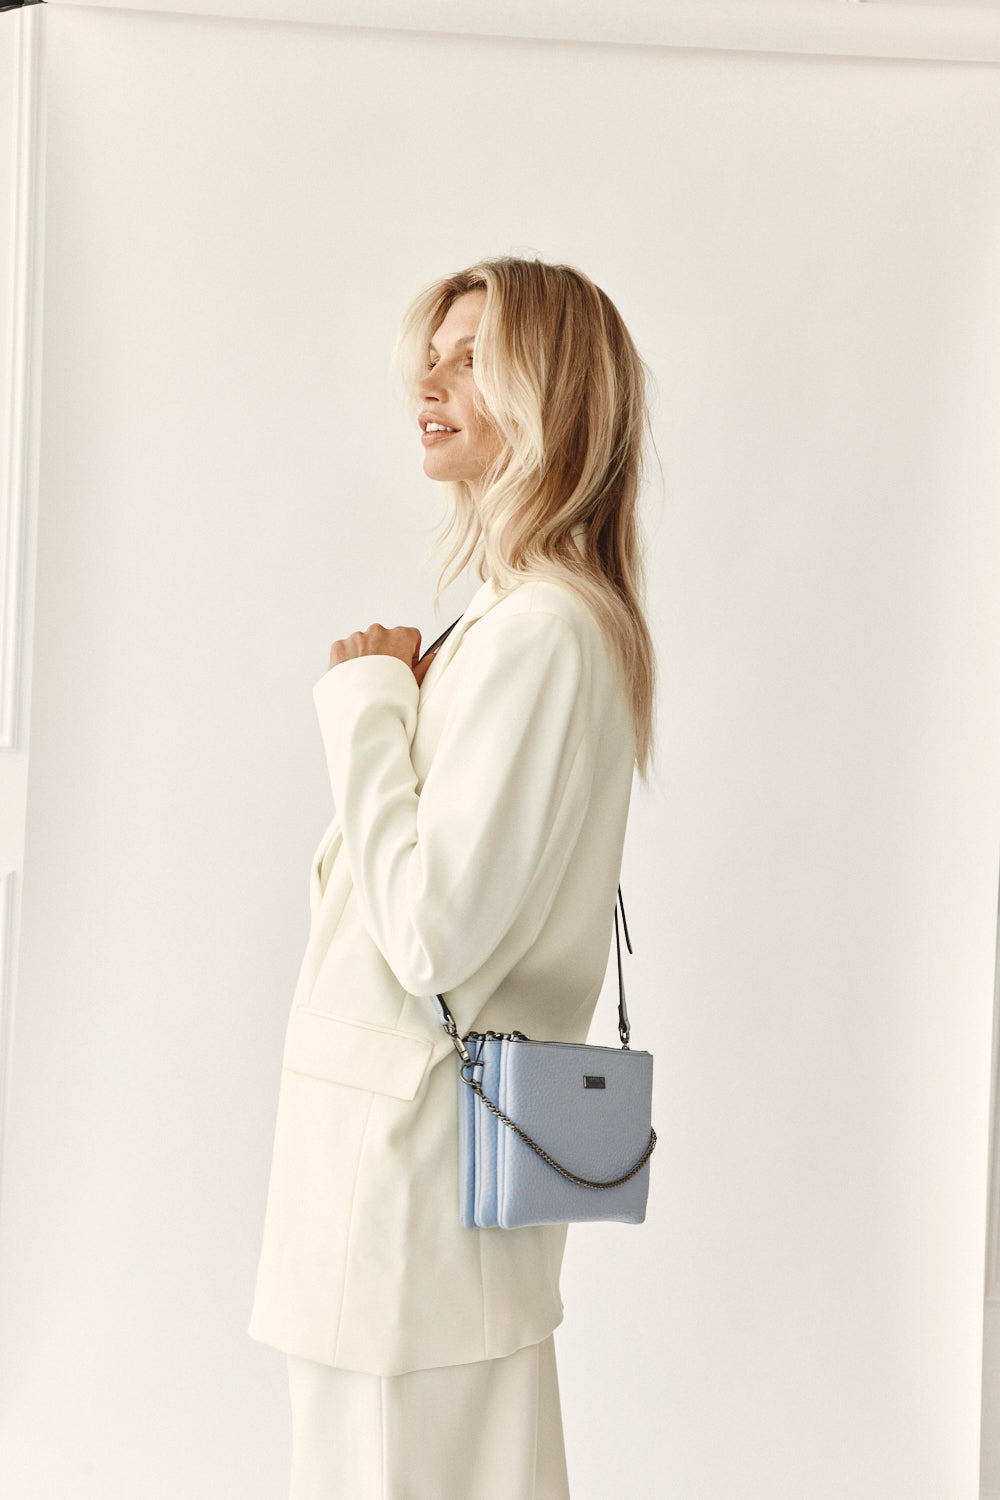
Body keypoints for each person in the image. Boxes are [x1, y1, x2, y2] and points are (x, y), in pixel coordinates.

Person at [249, 256, 657, 1499]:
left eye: (471, 358)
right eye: (429, 359)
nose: (428, 385)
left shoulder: (538, 632)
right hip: (414, 1201)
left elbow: (429, 935)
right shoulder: (513, 624)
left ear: (552, 392)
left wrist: (365, 707)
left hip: (406, 1207)